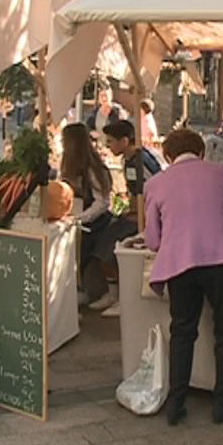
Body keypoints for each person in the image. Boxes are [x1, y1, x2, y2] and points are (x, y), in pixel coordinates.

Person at [144, 129, 223, 426]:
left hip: (180, 264)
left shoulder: (156, 183)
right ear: (201, 152)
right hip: (219, 261)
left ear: (167, 156)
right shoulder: (219, 173)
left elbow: (153, 240)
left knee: (183, 331)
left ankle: (176, 403)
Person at [93, 120, 165, 317]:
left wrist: (139, 211)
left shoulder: (142, 161)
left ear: (124, 141)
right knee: (103, 242)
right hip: (135, 212)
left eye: (110, 141)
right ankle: (113, 292)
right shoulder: (128, 161)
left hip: (147, 217)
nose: (108, 146)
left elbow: (154, 190)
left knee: (112, 246)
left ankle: (121, 297)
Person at [60, 123, 114, 307]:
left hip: (95, 223)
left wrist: (80, 218)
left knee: (87, 254)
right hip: (80, 219)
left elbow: (102, 202)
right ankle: (83, 290)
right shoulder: (73, 166)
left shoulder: (92, 169)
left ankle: (100, 293)